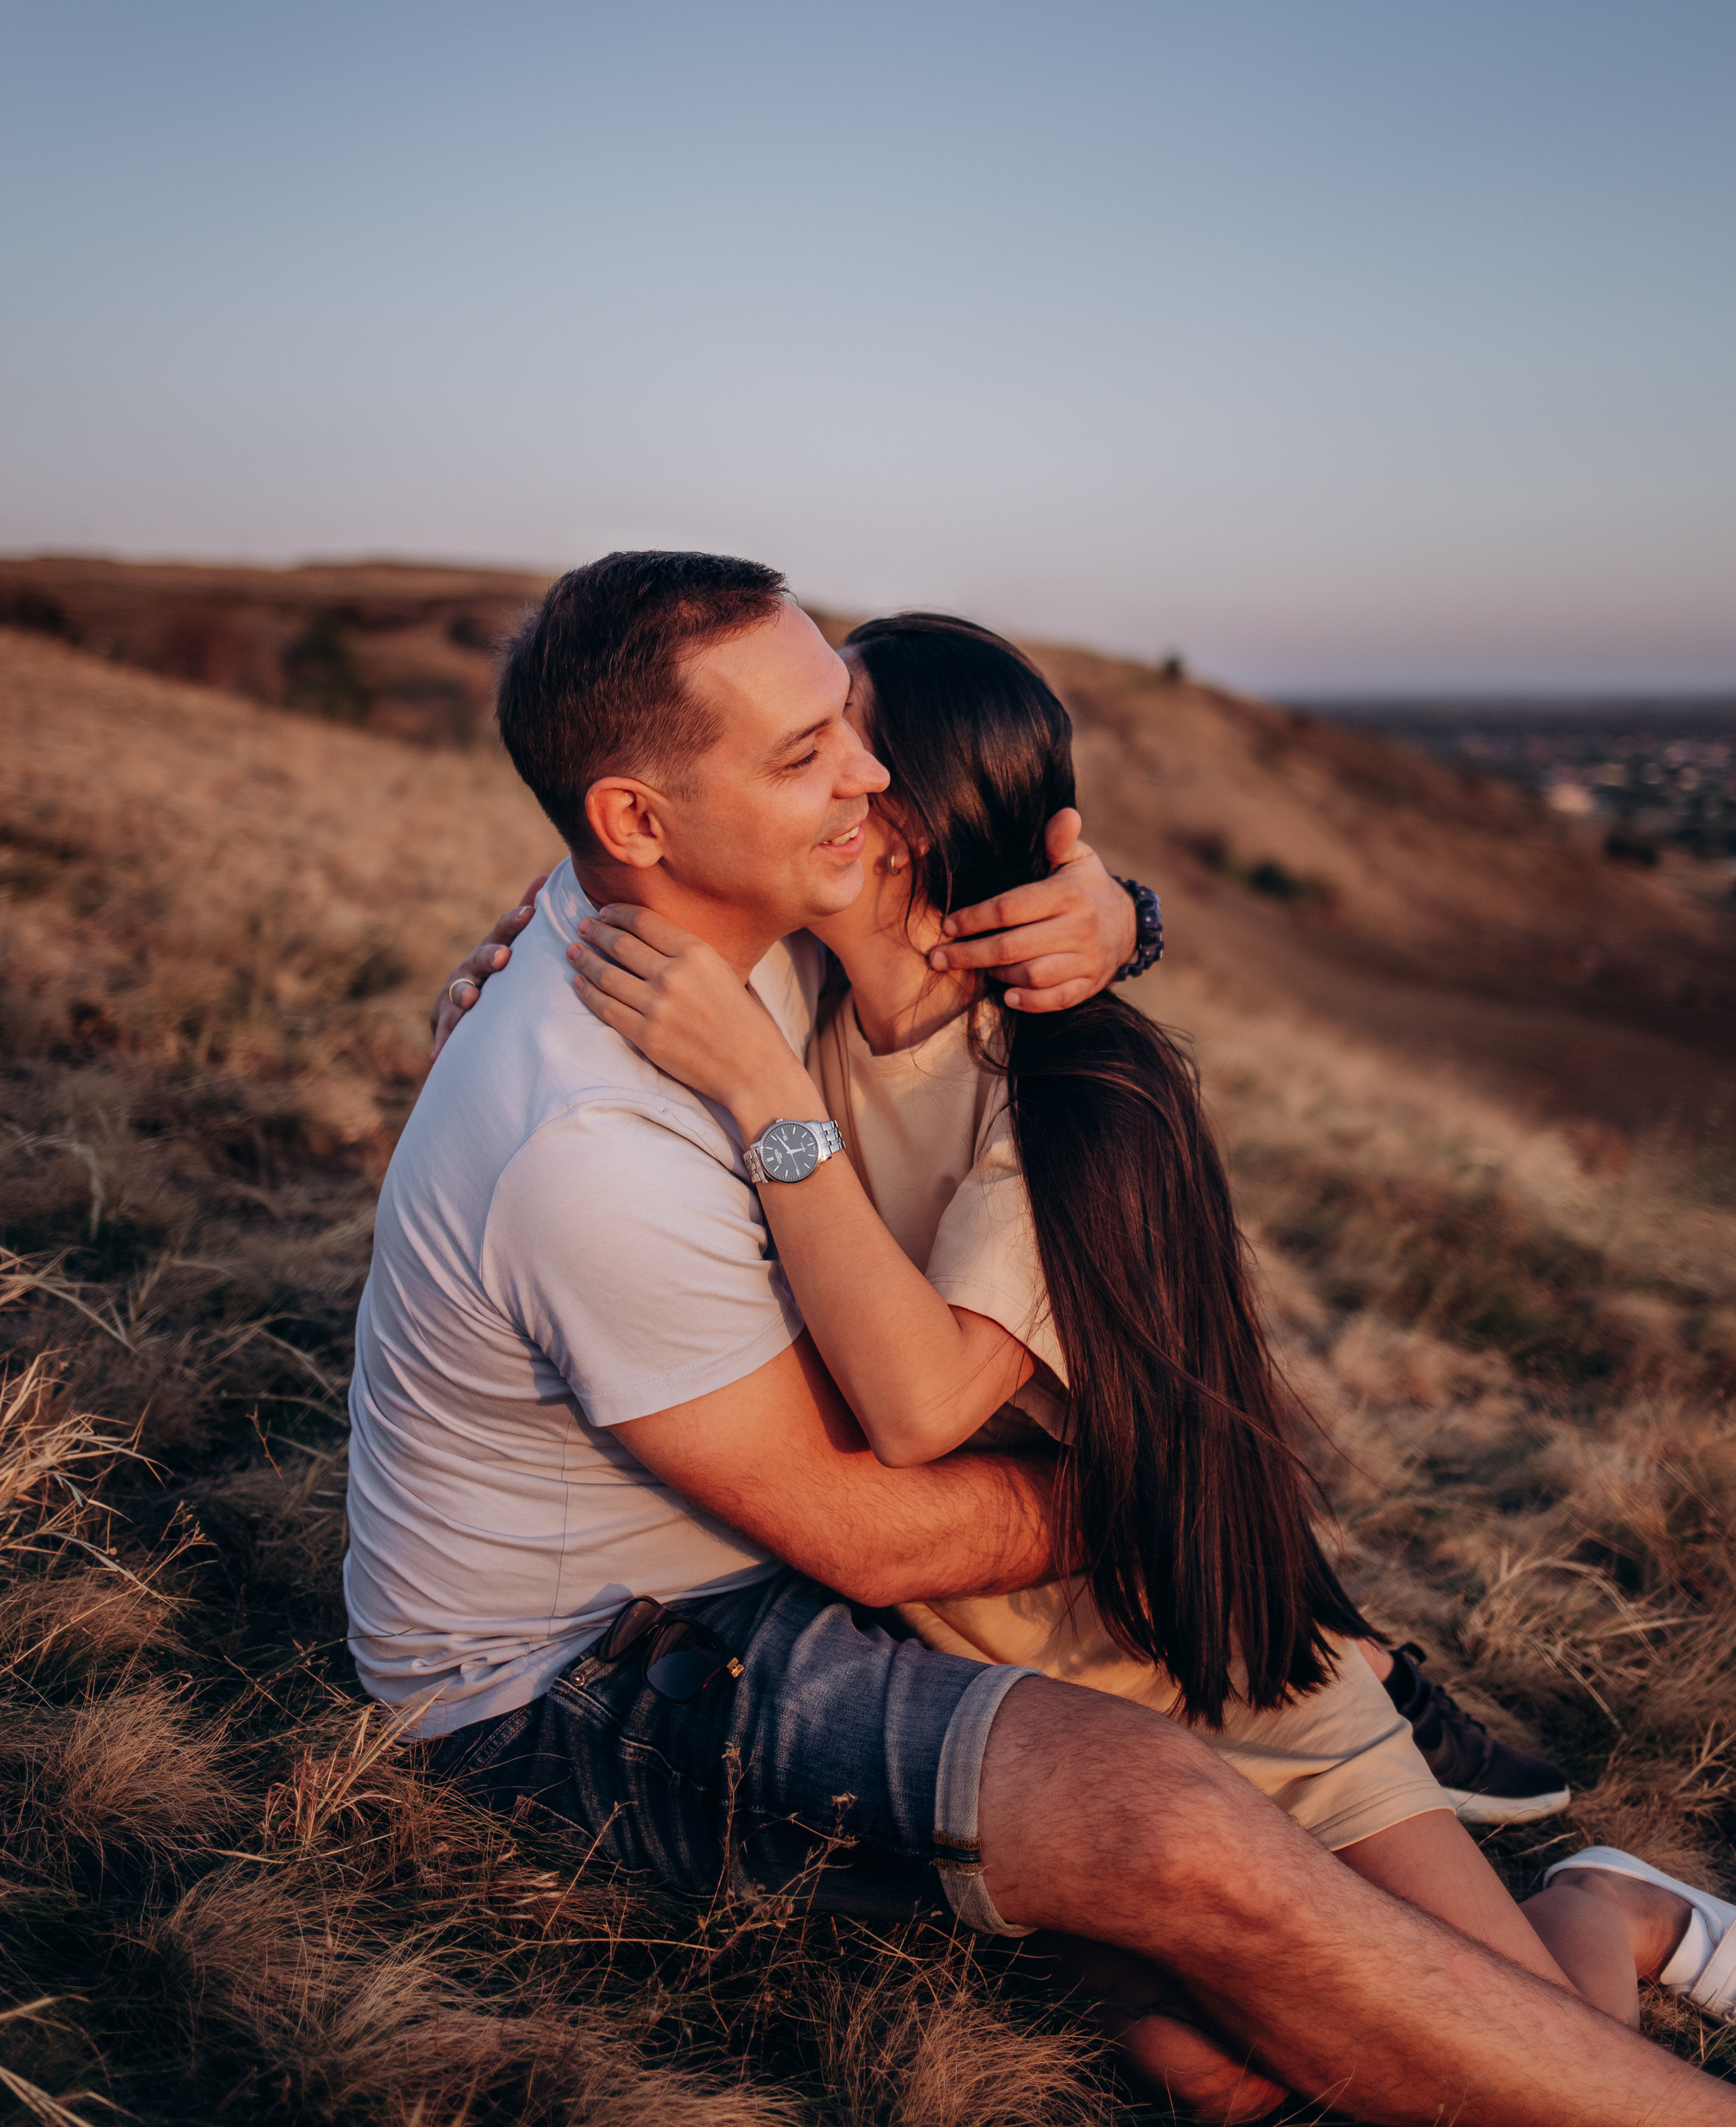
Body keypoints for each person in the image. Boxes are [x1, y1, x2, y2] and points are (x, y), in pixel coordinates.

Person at [350, 549, 1736, 2124]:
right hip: (913, 1618)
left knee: (1503, 2025)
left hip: (1193, 1647)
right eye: (816, 760)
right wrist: (544, 967)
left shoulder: (985, 1078)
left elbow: (924, 1393)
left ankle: (1612, 1907)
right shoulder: (736, 1011)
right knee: (1215, 2068)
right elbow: (881, 1484)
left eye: (861, 759)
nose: (852, 787)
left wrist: (1112, 917)